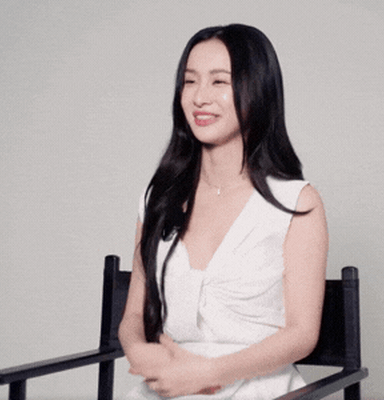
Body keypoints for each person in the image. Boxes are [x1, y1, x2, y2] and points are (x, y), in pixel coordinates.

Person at [119, 24, 328, 399]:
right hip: (169, 386)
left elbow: (302, 334)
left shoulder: (298, 202)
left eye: (219, 82)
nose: (200, 97)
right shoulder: (159, 198)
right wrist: (140, 352)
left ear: (257, 90)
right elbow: (134, 314)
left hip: (261, 388)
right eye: (190, 81)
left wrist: (208, 373)